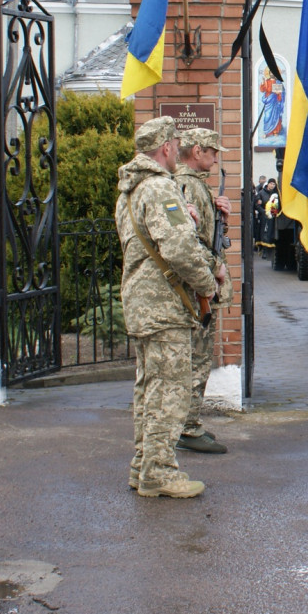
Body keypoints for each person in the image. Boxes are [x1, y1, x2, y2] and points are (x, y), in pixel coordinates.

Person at [115, 116, 225, 499]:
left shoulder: (131, 189)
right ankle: (159, 472)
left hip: (143, 303)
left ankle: (143, 463)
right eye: (175, 145)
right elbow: (179, 249)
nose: (177, 150)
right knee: (170, 391)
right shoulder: (160, 189)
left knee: (149, 388)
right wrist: (209, 284)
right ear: (165, 148)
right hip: (164, 307)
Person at [173, 127, 234, 455]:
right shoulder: (188, 186)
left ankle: (189, 422)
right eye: (211, 152)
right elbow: (190, 241)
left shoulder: (197, 187)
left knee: (197, 358)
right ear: (197, 151)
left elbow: (209, 235)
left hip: (201, 285)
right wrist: (214, 269)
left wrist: (219, 213)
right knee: (196, 359)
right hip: (197, 288)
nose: (214, 158)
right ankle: (188, 426)